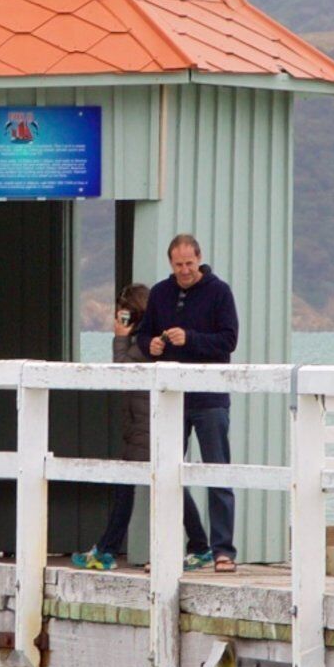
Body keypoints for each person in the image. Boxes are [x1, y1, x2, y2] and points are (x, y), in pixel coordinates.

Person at [139, 233, 239, 570]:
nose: (184, 270)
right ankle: (166, 550)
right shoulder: (160, 293)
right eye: (178, 264)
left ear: (199, 259)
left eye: (189, 264)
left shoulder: (219, 291)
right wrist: (150, 345)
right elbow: (143, 335)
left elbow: (229, 340)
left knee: (217, 474)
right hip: (171, 398)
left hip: (209, 397)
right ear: (171, 263)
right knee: (165, 473)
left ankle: (223, 550)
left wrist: (190, 338)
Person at [75, 283, 152, 568]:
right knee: (134, 483)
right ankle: (107, 547)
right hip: (138, 425)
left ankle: (106, 549)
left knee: (134, 484)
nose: (122, 320)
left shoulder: (143, 344)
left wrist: (119, 338)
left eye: (126, 314)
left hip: (145, 425)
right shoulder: (143, 341)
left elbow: (121, 371)